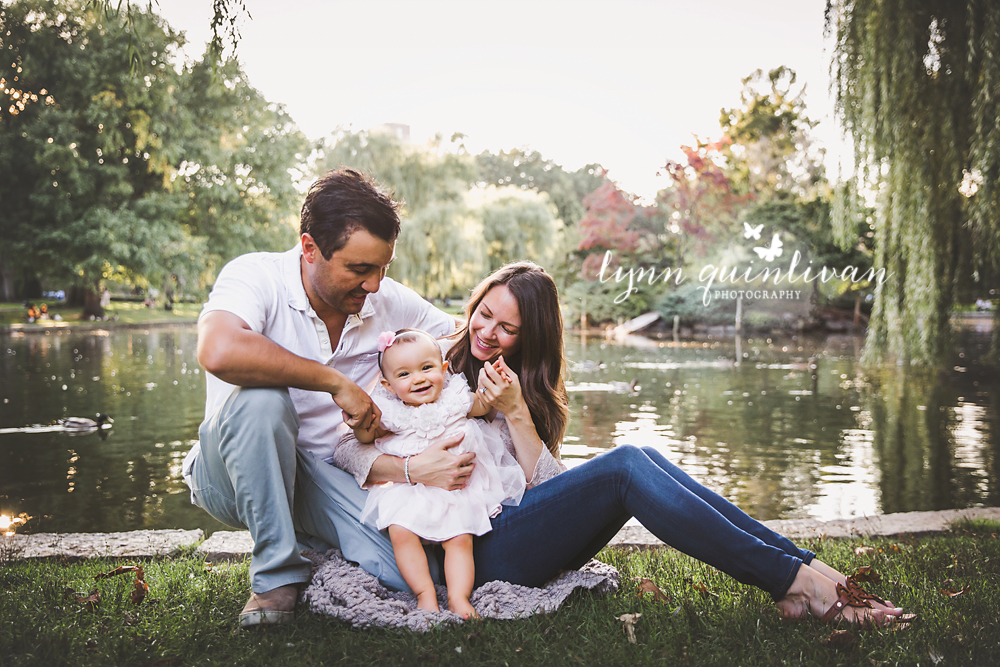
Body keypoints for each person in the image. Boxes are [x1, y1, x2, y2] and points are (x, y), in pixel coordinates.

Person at [333, 262, 912, 628]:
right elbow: (347, 449)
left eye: (507, 328)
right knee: (628, 465)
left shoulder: (523, 388)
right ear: (476, 302)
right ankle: (800, 586)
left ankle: (808, 572)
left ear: (529, 336)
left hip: (512, 528)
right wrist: (414, 469)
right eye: (485, 314)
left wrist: (517, 416)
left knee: (645, 460)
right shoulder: (424, 363)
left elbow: (549, 491)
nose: (488, 333)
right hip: (466, 550)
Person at [182, 169, 462, 627]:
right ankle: (275, 581)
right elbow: (218, 349)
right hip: (230, 473)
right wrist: (337, 384)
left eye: (382, 268)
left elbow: (459, 340)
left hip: (318, 480)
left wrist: (508, 317)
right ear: (310, 248)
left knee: (411, 572)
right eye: (358, 269)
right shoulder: (257, 275)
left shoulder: (386, 299)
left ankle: (310, 535)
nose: (373, 285)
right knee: (262, 402)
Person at [354, 328, 525, 617]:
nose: (418, 378)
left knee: (460, 539)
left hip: (459, 487)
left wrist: (493, 385)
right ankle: (425, 594)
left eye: (426, 368)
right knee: (400, 531)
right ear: (388, 385)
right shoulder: (390, 412)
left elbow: (482, 406)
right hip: (411, 490)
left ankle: (459, 597)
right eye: (404, 374)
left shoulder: (455, 397)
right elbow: (367, 437)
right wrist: (358, 423)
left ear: (444, 370)